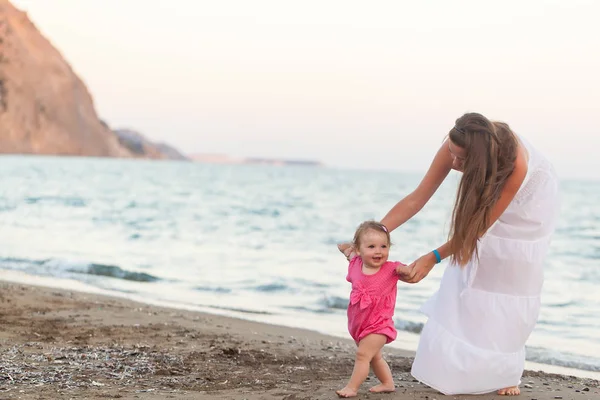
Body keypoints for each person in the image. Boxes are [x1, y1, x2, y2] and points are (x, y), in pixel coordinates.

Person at [358, 112, 558, 396]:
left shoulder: (517, 165)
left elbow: (476, 229)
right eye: (452, 153)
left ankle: (505, 373)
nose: (453, 162)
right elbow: (418, 197)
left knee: (509, 280)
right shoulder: (458, 140)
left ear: (479, 160)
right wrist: (370, 236)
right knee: (471, 280)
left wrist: (433, 258)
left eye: (461, 160)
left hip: (532, 203)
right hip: (492, 187)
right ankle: (463, 367)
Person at [335, 220, 406, 398]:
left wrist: (409, 270)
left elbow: (408, 270)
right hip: (360, 324)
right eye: (372, 246)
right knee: (374, 357)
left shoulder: (391, 269)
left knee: (362, 355)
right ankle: (387, 383)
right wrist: (345, 249)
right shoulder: (356, 265)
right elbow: (349, 254)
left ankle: (352, 387)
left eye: (383, 246)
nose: (378, 251)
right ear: (359, 250)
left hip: (379, 325)